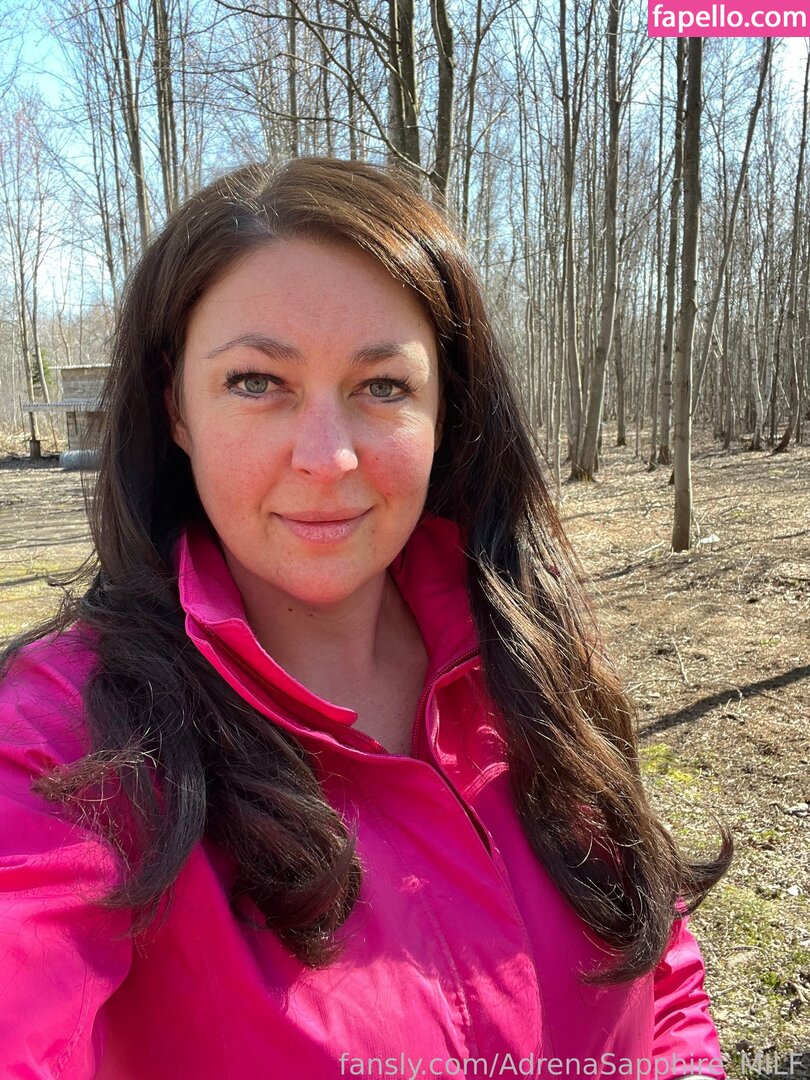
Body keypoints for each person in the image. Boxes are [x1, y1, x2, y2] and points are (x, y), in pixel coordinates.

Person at [0, 157, 731, 1080]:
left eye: (382, 385)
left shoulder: (528, 651)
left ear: (445, 409)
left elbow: (655, 960)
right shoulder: (65, 742)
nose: (328, 456)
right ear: (175, 406)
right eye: (256, 381)